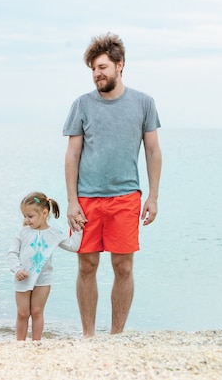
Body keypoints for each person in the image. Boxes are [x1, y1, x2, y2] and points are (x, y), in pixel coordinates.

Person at [63, 33, 162, 338]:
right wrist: (71, 201)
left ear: (120, 65)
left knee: (124, 267)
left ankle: (116, 335)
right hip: (87, 198)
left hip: (126, 197)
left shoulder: (143, 103)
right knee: (87, 266)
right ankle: (88, 335)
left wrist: (153, 197)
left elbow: (153, 151)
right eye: (93, 69)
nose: (97, 74)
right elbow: (73, 154)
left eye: (102, 67)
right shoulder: (82, 105)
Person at [7, 192, 82, 341]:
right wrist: (17, 269)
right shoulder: (23, 233)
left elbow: (73, 246)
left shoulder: (53, 233)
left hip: (43, 279)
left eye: (30, 216)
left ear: (44, 213)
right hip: (23, 278)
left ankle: (36, 342)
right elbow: (11, 253)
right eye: (24, 216)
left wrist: (78, 228)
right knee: (22, 313)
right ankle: (19, 344)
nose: (27, 220)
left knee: (37, 312)